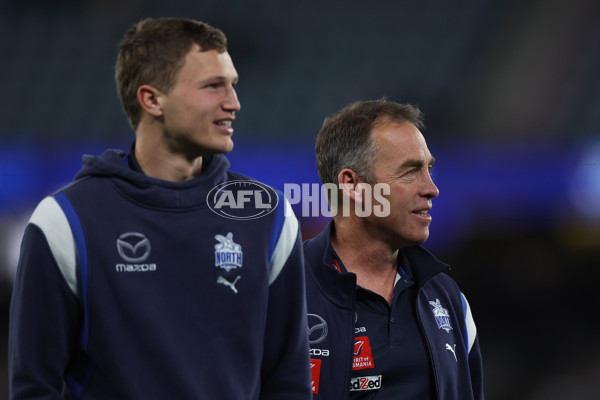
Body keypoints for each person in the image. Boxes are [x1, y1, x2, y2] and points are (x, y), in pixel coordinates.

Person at [9, 17, 311, 399]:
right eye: (213, 86)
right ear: (152, 99)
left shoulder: (268, 217)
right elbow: (35, 386)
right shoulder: (65, 223)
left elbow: (289, 384)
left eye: (232, 85)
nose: (233, 103)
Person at [304, 99, 484, 399]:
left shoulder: (449, 299)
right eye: (410, 171)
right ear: (352, 185)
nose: (431, 188)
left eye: (429, 169)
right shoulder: (281, 294)